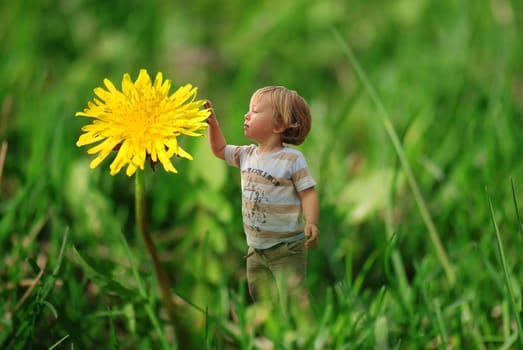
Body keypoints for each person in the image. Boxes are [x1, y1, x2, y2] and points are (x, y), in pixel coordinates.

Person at [205, 86, 320, 313]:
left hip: (286, 247)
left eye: (255, 111)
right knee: (260, 296)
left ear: (278, 125)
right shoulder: (246, 154)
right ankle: (273, 331)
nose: (247, 115)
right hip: (256, 248)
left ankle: (302, 333)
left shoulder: (291, 159)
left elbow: (308, 193)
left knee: (294, 297)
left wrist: (311, 222)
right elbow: (219, 150)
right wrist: (213, 125)